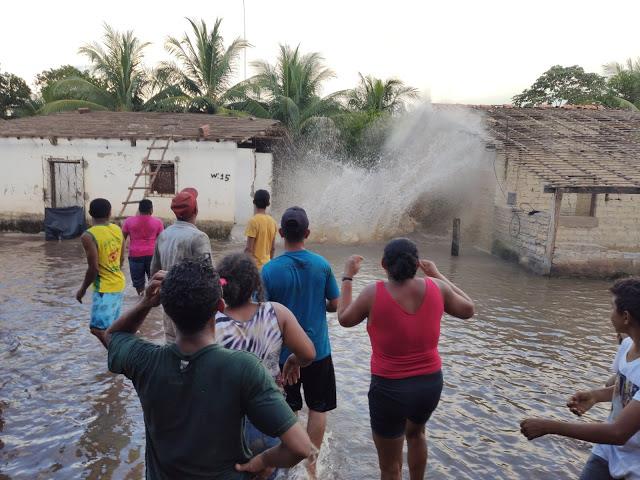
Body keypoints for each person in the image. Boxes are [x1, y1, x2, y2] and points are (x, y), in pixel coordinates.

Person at [104, 258, 314, 479]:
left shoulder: (145, 361)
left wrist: (146, 302)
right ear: (220, 307)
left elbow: (112, 336)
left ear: (165, 307)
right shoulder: (244, 367)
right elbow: (301, 447)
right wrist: (263, 460)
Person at [337, 238, 475, 480]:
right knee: (417, 434)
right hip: (429, 384)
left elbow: (344, 318)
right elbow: (469, 308)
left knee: (390, 467)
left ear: (383, 265)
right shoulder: (436, 287)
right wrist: (438, 274)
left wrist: (348, 277)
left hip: (390, 388)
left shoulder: (374, 292)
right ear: (417, 264)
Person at [521, 278, 640, 480]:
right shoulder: (627, 345)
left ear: (626, 316)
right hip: (607, 451)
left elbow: (618, 433)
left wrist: (549, 426)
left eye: (612, 308)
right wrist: (595, 396)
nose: (609, 314)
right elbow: (627, 388)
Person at [215, 253, 316, 478]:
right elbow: (308, 353)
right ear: (255, 283)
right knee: (270, 470)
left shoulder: (212, 320)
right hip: (270, 414)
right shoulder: (275, 312)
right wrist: (293, 360)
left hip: (229, 420)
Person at [261, 207, 340, 478]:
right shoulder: (322, 265)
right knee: (318, 407)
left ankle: (289, 458)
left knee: (288, 407)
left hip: (283, 355)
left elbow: (262, 311)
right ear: (307, 233)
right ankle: (311, 464)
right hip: (318, 351)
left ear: (281, 233)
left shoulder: (269, 270)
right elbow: (336, 304)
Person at [150, 187, 212, 343]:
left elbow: (154, 272)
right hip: (191, 311)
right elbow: (209, 277)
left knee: (171, 345)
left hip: (169, 306)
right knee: (192, 351)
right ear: (196, 210)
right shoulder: (199, 237)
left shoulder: (164, 235)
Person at [76, 198, 126, 347]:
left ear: (90, 213)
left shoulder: (88, 235)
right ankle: (120, 357)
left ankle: (119, 357)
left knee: (97, 329)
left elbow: (94, 268)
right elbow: (122, 258)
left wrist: (82, 289)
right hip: (118, 283)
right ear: (110, 213)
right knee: (113, 327)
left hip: (104, 288)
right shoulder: (117, 229)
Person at [122, 199, 164, 295]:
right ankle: (152, 305)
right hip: (152, 255)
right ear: (151, 209)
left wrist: (121, 257)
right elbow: (162, 240)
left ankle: (141, 301)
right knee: (154, 280)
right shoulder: (158, 222)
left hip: (135, 255)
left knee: (138, 283)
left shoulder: (129, 221)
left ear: (139, 209)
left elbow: (121, 239)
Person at [244, 189, 278, 270]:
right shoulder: (273, 222)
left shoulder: (253, 221)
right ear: (267, 204)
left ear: (254, 202)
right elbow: (272, 248)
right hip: (267, 267)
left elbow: (249, 249)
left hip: (255, 268)